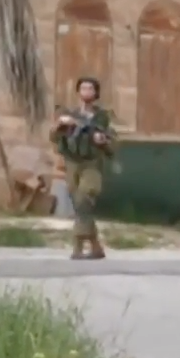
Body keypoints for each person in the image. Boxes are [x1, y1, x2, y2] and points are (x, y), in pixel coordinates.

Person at [49, 77, 115, 260]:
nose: (86, 92)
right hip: (72, 163)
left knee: (84, 198)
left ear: (96, 93)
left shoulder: (102, 117)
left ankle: (78, 244)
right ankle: (95, 246)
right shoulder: (70, 114)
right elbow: (53, 137)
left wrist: (102, 141)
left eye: (90, 89)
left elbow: (113, 142)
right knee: (79, 205)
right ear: (78, 92)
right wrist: (61, 124)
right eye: (83, 88)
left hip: (92, 164)